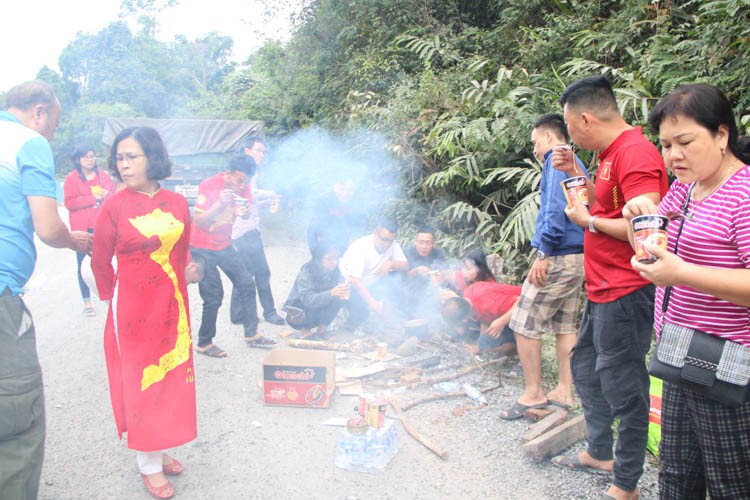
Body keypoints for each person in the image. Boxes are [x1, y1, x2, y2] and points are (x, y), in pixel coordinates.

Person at [623, 84, 750, 499]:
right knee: (676, 477)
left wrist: (682, 273)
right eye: (665, 144)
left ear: (722, 135)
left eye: (685, 142)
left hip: (728, 361)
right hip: (676, 351)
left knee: (732, 483)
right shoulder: (684, 188)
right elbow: (654, 251)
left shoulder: (744, 194)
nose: (674, 155)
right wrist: (634, 223)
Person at [548, 76, 668, 500]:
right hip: (601, 287)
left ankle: (626, 482)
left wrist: (591, 224)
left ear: (584, 118)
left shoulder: (635, 154)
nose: (570, 134)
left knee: (625, 387)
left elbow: (647, 230)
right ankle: (600, 451)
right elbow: (607, 201)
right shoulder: (607, 153)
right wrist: (573, 171)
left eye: (569, 125)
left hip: (626, 289)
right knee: (585, 369)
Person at [91, 126, 196, 500]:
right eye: (119, 158)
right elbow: (100, 260)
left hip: (172, 303)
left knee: (169, 374)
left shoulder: (177, 201)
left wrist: (187, 281)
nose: (123, 164)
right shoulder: (114, 205)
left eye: (131, 156)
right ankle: (148, 465)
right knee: (142, 380)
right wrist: (113, 300)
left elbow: (182, 252)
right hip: (132, 308)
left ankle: (159, 442)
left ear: (153, 157)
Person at [0, 80, 92, 500]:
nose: (52, 133)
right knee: (18, 420)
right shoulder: (26, 141)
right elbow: (48, 226)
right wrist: (74, 241)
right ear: (38, 112)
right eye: (53, 124)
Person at [502, 114, 587, 420]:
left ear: (550, 138)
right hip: (579, 256)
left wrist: (543, 253)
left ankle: (533, 394)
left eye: (536, 142)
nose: (535, 149)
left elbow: (554, 209)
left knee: (524, 323)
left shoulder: (556, 161)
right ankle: (565, 390)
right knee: (565, 326)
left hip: (559, 255)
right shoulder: (577, 163)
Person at [190, 155, 274, 356]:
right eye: (238, 180)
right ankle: (204, 343)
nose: (241, 186)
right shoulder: (209, 186)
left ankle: (251, 333)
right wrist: (219, 203)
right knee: (213, 296)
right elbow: (199, 222)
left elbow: (243, 211)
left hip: (225, 244)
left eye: (245, 181)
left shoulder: (244, 188)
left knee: (246, 283)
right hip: (202, 247)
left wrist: (244, 213)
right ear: (227, 174)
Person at [229, 136, 285, 326]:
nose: (262, 155)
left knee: (248, 271)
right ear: (247, 151)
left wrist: (265, 202)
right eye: (258, 150)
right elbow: (244, 196)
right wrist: (268, 193)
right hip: (241, 230)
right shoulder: (241, 173)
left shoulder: (254, 172)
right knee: (259, 271)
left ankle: (238, 314)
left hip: (250, 228)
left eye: (263, 151)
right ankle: (269, 312)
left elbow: (250, 201)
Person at [63, 144, 115, 316]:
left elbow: (113, 196)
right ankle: (87, 302)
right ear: (78, 159)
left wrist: (106, 196)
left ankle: (110, 296)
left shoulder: (103, 176)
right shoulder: (71, 179)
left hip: (103, 226)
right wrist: (92, 198)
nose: (90, 159)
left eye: (92, 156)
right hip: (83, 228)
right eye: (86, 156)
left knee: (107, 261)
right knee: (82, 264)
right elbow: (69, 203)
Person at [339, 215, 409, 330]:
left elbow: (405, 265)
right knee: (360, 316)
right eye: (384, 239)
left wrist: (391, 264)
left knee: (399, 278)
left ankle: (385, 318)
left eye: (390, 240)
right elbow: (355, 280)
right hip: (349, 287)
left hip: (373, 283)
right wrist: (372, 302)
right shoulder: (361, 248)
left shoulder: (393, 245)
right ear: (375, 233)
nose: (387, 244)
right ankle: (348, 322)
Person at [283, 241, 349, 338]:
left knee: (339, 294)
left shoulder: (336, 271)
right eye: (330, 258)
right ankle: (306, 329)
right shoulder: (306, 272)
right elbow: (307, 300)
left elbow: (342, 285)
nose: (335, 262)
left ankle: (322, 329)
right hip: (298, 314)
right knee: (326, 296)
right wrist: (330, 293)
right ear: (319, 258)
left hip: (319, 308)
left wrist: (345, 291)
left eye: (337, 258)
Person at [441, 281, 520, 356]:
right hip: (510, 313)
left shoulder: (489, 303)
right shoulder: (468, 296)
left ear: (464, 320)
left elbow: (522, 301)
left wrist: (501, 321)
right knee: (489, 341)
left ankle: (523, 351)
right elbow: (485, 317)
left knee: (506, 345)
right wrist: (481, 346)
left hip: (527, 309)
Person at [306, 176, 365, 254]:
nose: (345, 194)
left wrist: (353, 238)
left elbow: (357, 224)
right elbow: (321, 225)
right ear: (334, 187)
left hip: (345, 236)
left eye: (350, 190)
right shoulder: (323, 200)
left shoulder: (358, 201)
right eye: (342, 189)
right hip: (325, 235)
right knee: (312, 229)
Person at [404, 225, 447, 319]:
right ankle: (412, 313)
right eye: (420, 242)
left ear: (434, 243)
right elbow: (402, 278)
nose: (424, 246)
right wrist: (415, 271)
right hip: (413, 287)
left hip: (433, 286)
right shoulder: (407, 253)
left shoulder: (438, 253)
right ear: (415, 242)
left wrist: (441, 276)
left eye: (428, 243)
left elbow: (444, 272)